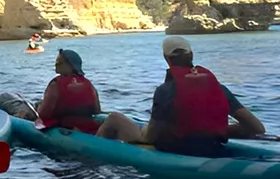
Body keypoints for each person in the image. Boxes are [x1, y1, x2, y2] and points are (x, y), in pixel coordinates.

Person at [97, 36, 265, 154]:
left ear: (166, 58)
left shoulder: (165, 90)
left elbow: (150, 137)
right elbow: (257, 128)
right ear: (191, 55)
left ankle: (92, 154)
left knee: (114, 119)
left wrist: (146, 130)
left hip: (175, 149)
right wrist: (219, 131)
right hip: (212, 147)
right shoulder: (219, 88)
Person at [37, 49, 105, 133]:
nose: (55, 64)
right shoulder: (88, 84)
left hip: (64, 127)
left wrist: (39, 108)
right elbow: (96, 110)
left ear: (71, 65)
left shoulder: (55, 84)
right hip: (87, 127)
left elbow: (44, 113)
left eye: (59, 62)